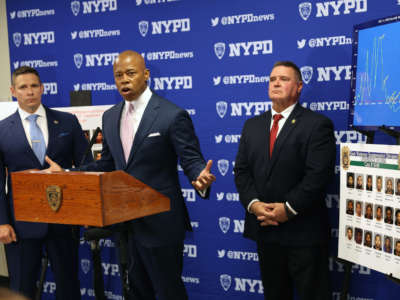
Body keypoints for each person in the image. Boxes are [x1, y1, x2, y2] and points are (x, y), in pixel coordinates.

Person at [46, 50, 215, 300]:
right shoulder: (111, 115)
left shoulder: (171, 115)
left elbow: (191, 160)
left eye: (130, 73)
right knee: (136, 292)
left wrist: (200, 178)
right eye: (118, 75)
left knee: (169, 291)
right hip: (125, 222)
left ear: (146, 75)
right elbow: (107, 165)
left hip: (161, 223)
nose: (124, 79)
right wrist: (69, 173)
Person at [234, 61, 335, 300]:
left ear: (299, 87)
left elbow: (318, 176)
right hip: (265, 229)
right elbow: (242, 171)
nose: (276, 83)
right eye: (272, 79)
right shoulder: (252, 125)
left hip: (303, 232)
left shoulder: (316, 124)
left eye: (283, 79)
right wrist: (254, 205)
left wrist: (287, 209)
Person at [0, 66, 92, 299]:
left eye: (34, 86)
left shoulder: (68, 122)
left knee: (68, 286)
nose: (29, 91)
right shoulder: (2, 130)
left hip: (63, 220)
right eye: (23, 87)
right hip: (20, 224)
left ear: (42, 89)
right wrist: (2, 223)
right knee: (22, 287)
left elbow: (89, 167)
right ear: (13, 91)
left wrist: (67, 172)